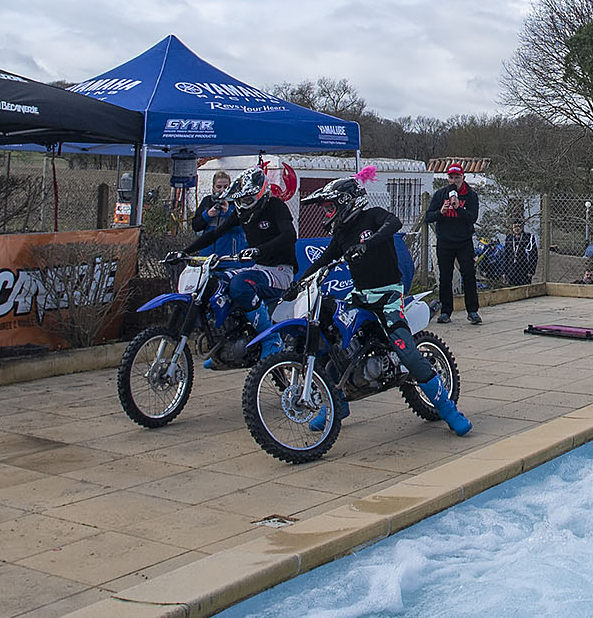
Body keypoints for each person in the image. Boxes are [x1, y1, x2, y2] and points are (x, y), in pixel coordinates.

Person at [300, 170, 470, 435]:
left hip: (389, 294)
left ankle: (448, 410)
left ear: (346, 202)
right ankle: (336, 403)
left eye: (331, 207)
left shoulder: (373, 215)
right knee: (330, 337)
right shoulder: (342, 233)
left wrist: (368, 243)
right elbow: (323, 260)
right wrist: (297, 283)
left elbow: (394, 223)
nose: (328, 213)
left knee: (407, 351)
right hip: (360, 295)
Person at [177, 166, 297, 361]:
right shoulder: (241, 212)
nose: (242, 204)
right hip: (258, 267)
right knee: (213, 282)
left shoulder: (275, 206)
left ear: (260, 194)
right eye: (239, 200)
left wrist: (258, 250)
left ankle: (271, 339)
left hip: (280, 271)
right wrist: (185, 252)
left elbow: (290, 235)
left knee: (240, 285)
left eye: (247, 199)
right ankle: (223, 342)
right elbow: (215, 233)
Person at [424, 164, 482, 325]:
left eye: (457, 177)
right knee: (445, 277)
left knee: (468, 274)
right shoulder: (440, 194)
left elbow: (472, 217)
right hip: (445, 241)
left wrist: (459, 209)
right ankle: (445, 312)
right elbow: (428, 216)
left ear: (463, 177)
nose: (454, 181)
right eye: (451, 177)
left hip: (464, 241)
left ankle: (472, 311)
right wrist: (440, 212)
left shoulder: (471, 195)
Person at [191, 170, 247, 258]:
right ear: (213, 188)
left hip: (230, 256)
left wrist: (228, 213)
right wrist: (207, 215)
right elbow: (196, 226)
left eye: (226, 187)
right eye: (218, 187)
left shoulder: (237, 202)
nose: (222, 190)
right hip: (208, 254)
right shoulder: (207, 201)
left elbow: (242, 228)